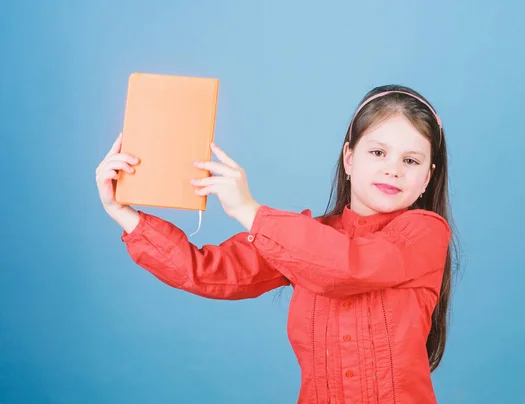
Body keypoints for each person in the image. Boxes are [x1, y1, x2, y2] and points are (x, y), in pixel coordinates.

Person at [95, 84, 458, 404]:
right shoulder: (300, 240)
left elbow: (350, 266)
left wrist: (250, 212)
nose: (393, 168)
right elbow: (208, 272)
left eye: (411, 160)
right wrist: (124, 213)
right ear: (349, 159)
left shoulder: (425, 234)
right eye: (378, 153)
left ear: (427, 178)